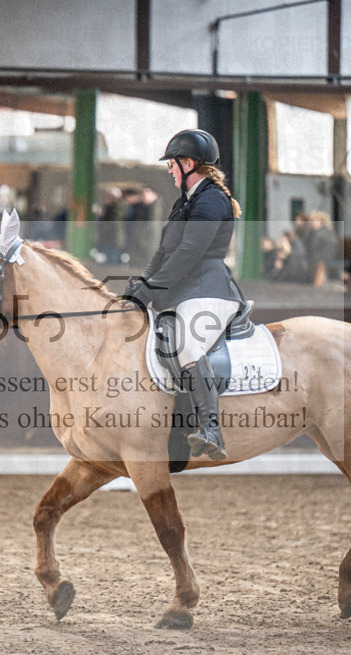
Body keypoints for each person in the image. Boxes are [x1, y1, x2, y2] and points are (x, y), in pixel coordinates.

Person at [124, 129, 245, 461]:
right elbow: (164, 252)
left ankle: (211, 430)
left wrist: (153, 289)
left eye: (172, 164)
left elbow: (190, 252)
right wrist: (141, 287)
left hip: (209, 290)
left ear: (189, 163)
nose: (169, 170)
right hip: (182, 290)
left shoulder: (212, 199)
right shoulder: (185, 201)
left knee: (188, 342)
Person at [302, 211, 338, 287]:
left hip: (319, 264)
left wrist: (322, 265)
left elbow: (329, 250)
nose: (312, 222)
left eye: (314, 220)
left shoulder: (326, 233)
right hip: (312, 263)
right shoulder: (312, 232)